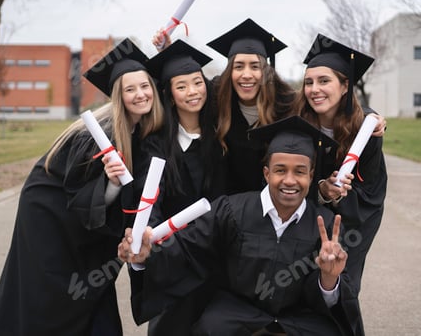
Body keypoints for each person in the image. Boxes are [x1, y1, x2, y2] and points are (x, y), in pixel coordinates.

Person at [119, 115, 365, 336]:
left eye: (300, 171)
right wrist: (146, 256)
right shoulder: (231, 211)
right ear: (267, 173)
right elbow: (187, 249)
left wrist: (329, 279)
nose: (290, 180)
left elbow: (329, 300)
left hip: (298, 317)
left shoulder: (326, 225)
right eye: (280, 170)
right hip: (237, 312)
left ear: (311, 176)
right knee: (210, 327)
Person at [0, 38, 164, 336]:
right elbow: (81, 193)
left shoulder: (138, 128)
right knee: (51, 294)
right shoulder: (98, 134)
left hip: (83, 221)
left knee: (91, 288)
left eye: (145, 86)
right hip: (50, 217)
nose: (140, 94)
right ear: (118, 95)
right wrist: (112, 182)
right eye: (129, 89)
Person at [134, 39, 227, 335]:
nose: (193, 92)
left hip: (219, 255)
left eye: (197, 83)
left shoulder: (222, 136)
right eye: (182, 86)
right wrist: (157, 241)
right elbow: (151, 200)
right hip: (176, 257)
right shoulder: (156, 144)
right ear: (170, 95)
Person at [153, 18, 299, 195]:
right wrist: (168, 53)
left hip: (277, 200)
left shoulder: (286, 104)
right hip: (229, 204)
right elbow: (186, 89)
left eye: (255, 66)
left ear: (266, 71)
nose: (246, 74)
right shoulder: (217, 96)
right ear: (230, 71)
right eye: (238, 66)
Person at [298, 33, 388, 301]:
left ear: (345, 86)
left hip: (352, 224)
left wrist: (339, 197)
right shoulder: (299, 123)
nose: (315, 89)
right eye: (309, 82)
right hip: (305, 215)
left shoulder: (366, 132)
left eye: (324, 81)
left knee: (339, 283)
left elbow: (371, 194)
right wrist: (322, 191)